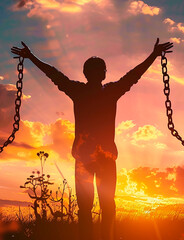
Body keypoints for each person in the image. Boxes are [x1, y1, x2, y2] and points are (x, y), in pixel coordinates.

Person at [11, 38, 173, 240]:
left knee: (87, 208)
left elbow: (53, 74)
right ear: (103, 73)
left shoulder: (78, 91)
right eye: (100, 70)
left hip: (86, 159)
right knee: (106, 205)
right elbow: (133, 75)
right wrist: (153, 55)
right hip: (102, 159)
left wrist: (31, 56)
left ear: (86, 73)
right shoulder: (110, 91)